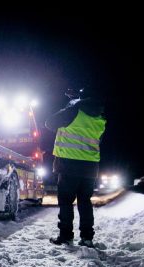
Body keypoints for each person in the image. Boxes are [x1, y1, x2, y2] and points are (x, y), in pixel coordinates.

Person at [45, 87, 107, 248]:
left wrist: (71, 104)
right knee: (85, 202)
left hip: (68, 165)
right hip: (90, 167)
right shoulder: (101, 116)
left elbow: (50, 123)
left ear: (81, 98)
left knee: (66, 202)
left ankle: (66, 236)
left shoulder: (75, 110)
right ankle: (87, 238)